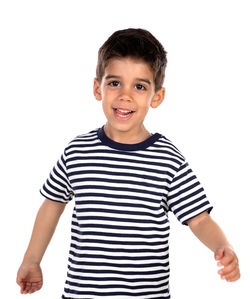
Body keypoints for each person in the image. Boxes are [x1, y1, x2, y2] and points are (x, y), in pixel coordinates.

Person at [16, 28, 240, 298]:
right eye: (114, 83)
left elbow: (199, 219)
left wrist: (223, 246)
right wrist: (31, 259)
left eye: (139, 86)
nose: (125, 95)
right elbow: (52, 205)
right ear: (97, 88)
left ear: (156, 97)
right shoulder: (77, 151)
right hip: (83, 294)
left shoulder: (167, 158)